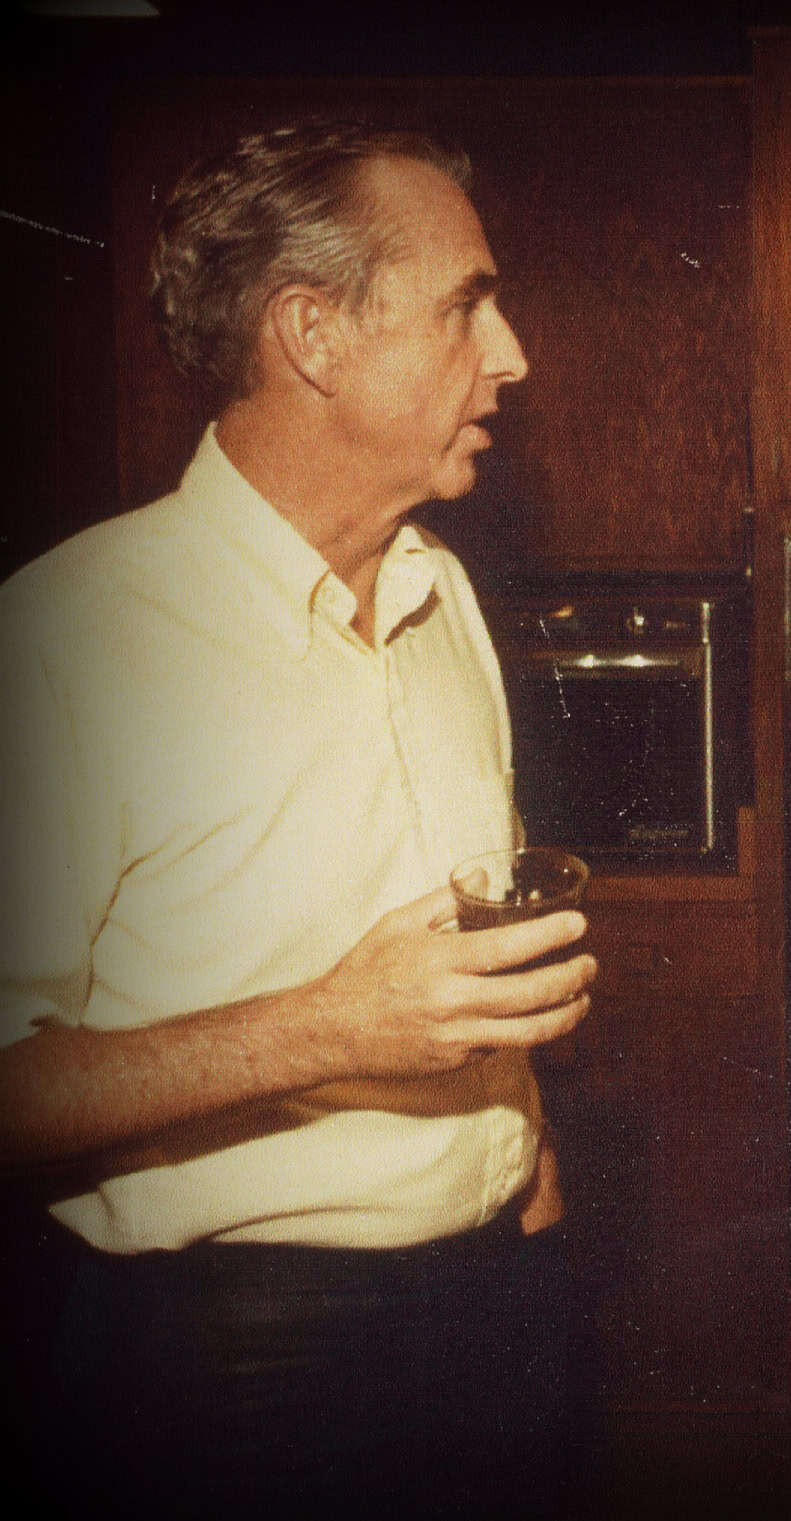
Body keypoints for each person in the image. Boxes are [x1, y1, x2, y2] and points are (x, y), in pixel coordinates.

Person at [0, 120, 596, 1519]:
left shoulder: (444, 596)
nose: (510, 355)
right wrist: (332, 1027)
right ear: (312, 332)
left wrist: (527, 1158)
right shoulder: (67, 638)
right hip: (229, 1361)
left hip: (498, 1291)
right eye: (464, 306)